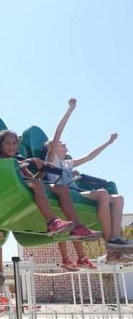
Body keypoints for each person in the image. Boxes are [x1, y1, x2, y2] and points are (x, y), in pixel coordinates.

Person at [45, 98, 133, 262]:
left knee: (119, 198)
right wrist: (70, 110)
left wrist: (108, 142)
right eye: (63, 145)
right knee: (102, 194)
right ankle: (110, 243)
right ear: (53, 147)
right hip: (64, 194)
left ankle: (115, 238)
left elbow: (90, 156)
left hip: (75, 192)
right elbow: (58, 133)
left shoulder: (67, 163)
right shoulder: (51, 159)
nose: (66, 147)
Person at [0, 129, 80, 238]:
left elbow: (34, 179)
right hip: (10, 189)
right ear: (0, 146)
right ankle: (52, 222)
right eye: (7, 143)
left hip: (26, 185)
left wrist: (44, 169)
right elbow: (10, 165)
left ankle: (77, 227)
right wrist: (32, 160)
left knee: (61, 188)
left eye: (14, 143)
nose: (12, 146)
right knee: (36, 183)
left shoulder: (19, 159)